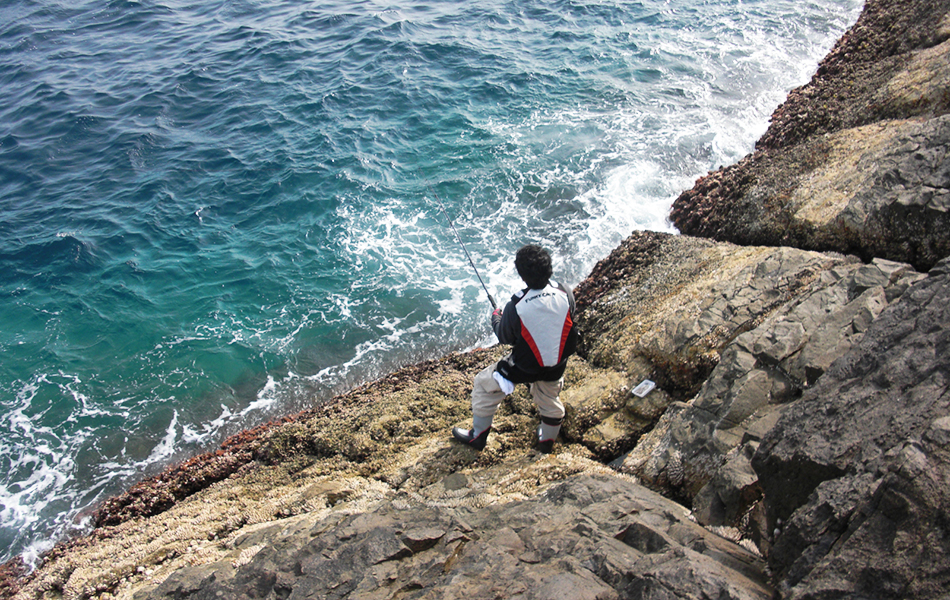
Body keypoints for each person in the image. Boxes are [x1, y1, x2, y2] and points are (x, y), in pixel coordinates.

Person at [452, 244, 578, 453]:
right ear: (550, 269)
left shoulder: (517, 304)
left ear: (522, 276)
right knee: (548, 397)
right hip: (557, 363)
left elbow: (505, 336)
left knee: (484, 384)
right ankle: (546, 442)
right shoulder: (565, 292)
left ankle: (478, 437)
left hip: (525, 367)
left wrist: (496, 318)